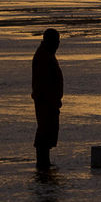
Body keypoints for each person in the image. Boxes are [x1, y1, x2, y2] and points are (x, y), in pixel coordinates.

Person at [31, 28, 63, 172]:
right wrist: (51, 100)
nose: (58, 43)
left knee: (48, 130)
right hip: (45, 101)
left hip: (49, 100)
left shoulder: (46, 54)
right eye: (56, 40)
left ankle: (44, 162)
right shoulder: (43, 56)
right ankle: (42, 162)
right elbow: (43, 83)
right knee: (45, 130)